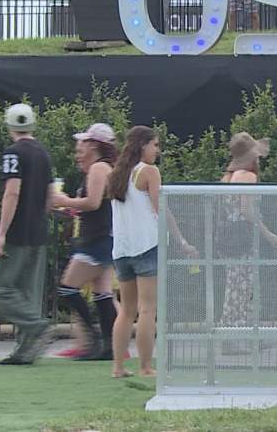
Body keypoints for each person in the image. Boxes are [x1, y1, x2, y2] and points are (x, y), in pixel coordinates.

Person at [0, 104, 54, 366]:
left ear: (9, 125)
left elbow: (12, 192)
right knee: (28, 293)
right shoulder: (44, 154)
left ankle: (36, 326)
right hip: (38, 231)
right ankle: (24, 352)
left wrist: (2, 234)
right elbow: (50, 196)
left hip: (16, 233)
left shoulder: (13, 153)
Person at [51, 124, 119, 360]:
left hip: (97, 237)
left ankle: (92, 340)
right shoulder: (103, 167)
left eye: (85, 143)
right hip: (101, 235)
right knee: (102, 292)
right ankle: (109, 346)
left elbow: (92, 202)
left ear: (95, 145)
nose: (80, 148)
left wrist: (64, 200)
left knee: (68, 288)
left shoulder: (99, 168)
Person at [107, 126, 164, 378]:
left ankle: (118, 367)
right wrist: (180, 240)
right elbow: (159, 209)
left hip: (122, 249)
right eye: (155, 145)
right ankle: (145, 366)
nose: (157, 150)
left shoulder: (117, 174)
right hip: (146, 245)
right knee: (148, 309)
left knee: (127, 310)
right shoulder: (149, 172)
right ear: (143, 145)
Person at [216, 133, 277, 354]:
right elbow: (246, 210)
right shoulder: (247, 177)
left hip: (229, 238)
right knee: (243, 288)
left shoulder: (228, 176)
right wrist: (268, 233)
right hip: (244, 238)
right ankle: (240, 337)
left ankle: (235, 336)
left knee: (235, 286)